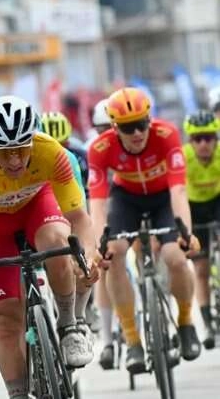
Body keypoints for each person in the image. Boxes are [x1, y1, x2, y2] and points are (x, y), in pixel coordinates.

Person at [0, 96, 99, 399]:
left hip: (38, 205)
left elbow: (79, 219)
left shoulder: (51, 152)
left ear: (33, 139)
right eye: (5, 152)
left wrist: (87, 257)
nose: (15, 161)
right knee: (4, 321)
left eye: (22, 149)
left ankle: (69, 324)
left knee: (58, 242)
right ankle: (18, 393)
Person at [88, 87, 201, 373]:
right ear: (115, 128)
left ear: (150, 119)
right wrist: (99, 244)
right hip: (127, 199)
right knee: (113, 254)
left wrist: (186, 234)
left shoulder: (167, 134)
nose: (137, 133)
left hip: (163, 198)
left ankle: (186, 323)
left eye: (142, 124)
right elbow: (98, 203)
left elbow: (178, 191)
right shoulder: (100, 148)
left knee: (175, 257)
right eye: (128, 127)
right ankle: (132, 340)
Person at [182, 110, 220, 349]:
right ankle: (208, 324)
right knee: (201, 268)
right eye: (198, 139)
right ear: (190, 141)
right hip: (193, 208)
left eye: (209, 138)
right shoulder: (184, 157)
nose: (204, 144)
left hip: (217, 203)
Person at [39, 111, 88, 197]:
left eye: (62, 144)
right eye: (48, 147)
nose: (56, 151)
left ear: (68, 142)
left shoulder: (80, 155)